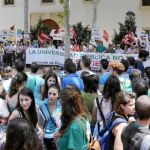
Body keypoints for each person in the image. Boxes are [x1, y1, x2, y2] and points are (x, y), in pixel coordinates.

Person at [38, 84, 61, 150]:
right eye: (49, 93)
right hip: (44, 137)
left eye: (54, 94)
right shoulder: (42, 104)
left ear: (58, 95)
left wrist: (60, 132)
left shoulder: (61, 106)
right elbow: (38, 122)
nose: (51, 96)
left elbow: (62, 121)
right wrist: (40, 129)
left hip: (56, 137)